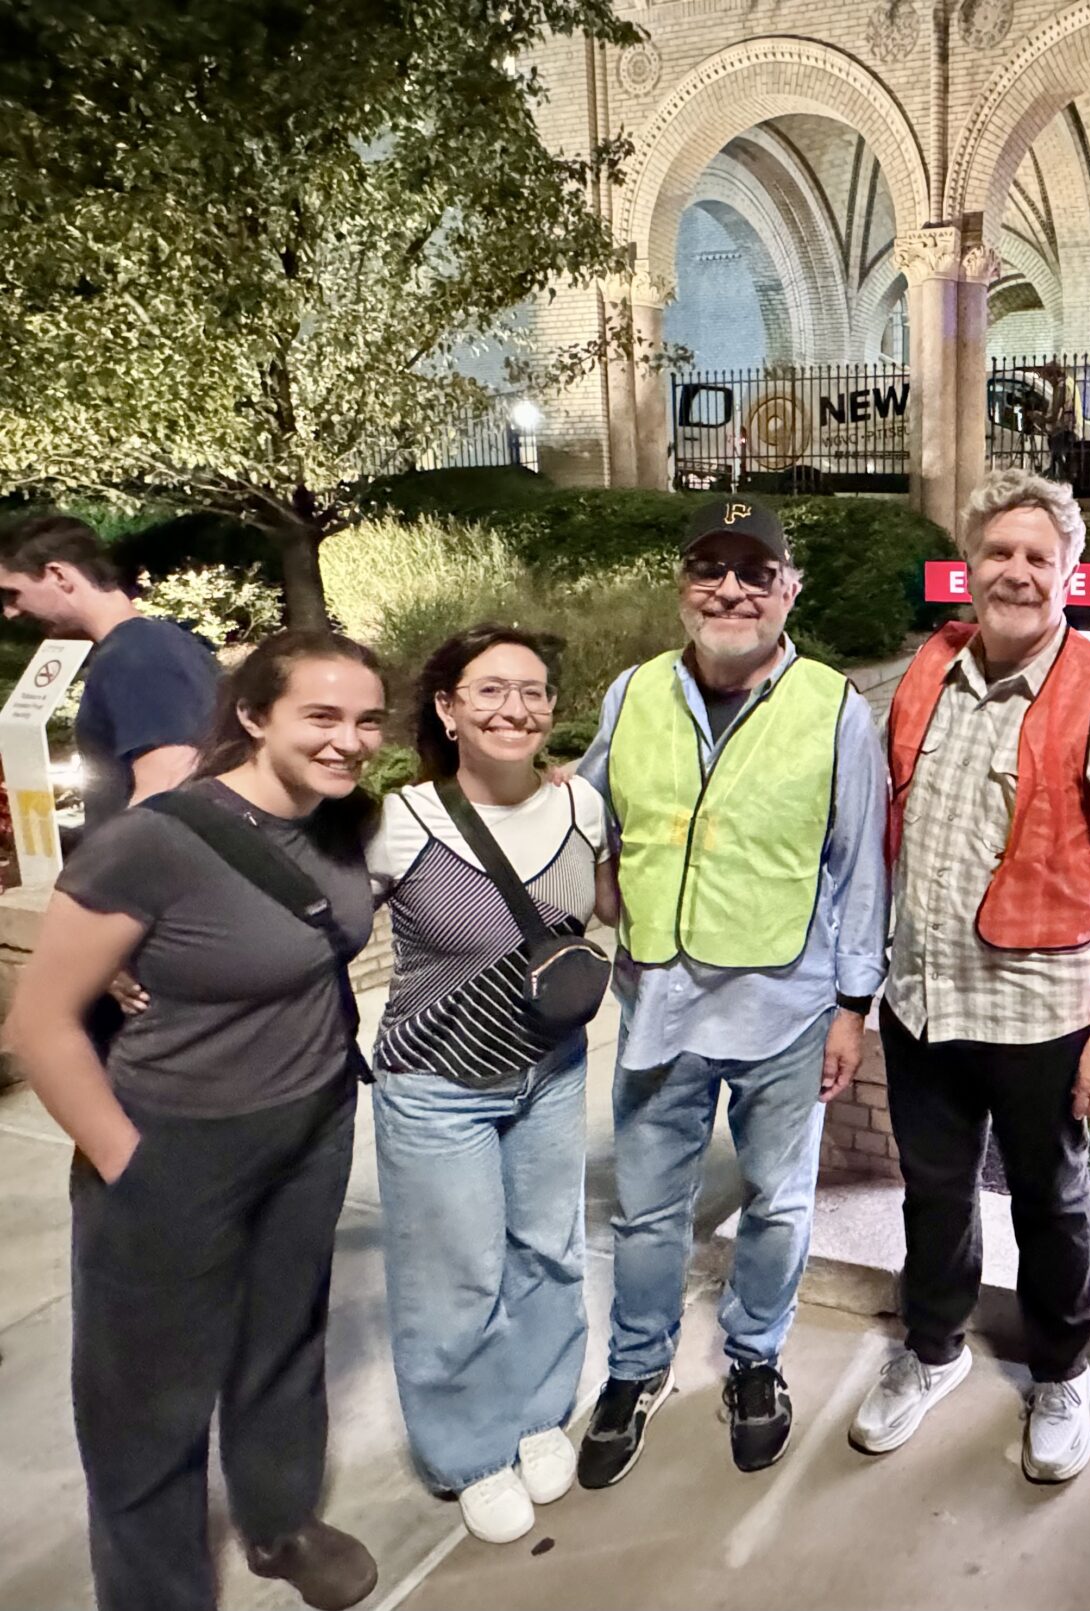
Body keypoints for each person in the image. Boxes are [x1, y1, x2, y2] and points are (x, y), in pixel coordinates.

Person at [2, 629, 386, 1611]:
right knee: (146, 1404)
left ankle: (280, 1522)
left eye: (365, 719)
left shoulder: (342, 823)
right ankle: (155, 1593)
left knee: (282, 1345)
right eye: (321, 716)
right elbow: (42, 1026)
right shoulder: (156, 838)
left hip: (307, 1131)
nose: (348, 740)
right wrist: (126, 1160)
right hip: (175, 1146)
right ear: (253, 717)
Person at [850, 469, 1090, 1483]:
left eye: (1039, 556)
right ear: (969, 565)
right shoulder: (923, 672)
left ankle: (1059, 1373)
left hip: (1040, 1018)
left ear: (1069, 571)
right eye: (998, 552)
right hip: (924, 1004)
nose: (1016, 572)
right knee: (933, 1196)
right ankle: (934, 1349)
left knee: (1050, 1205)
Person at [573, 497, 889, 1481]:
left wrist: (851, 1010)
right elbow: (585, 818)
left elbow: (861, 871)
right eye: (712, 567)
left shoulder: (834, 708)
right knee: (645, 1214)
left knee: (778, 1206)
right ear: (683, 585)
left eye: (756, 571)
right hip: (659, 1005)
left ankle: (754, 1360)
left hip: (785, 1013)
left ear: (788, 589)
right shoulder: (631, 696)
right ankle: (634, 1370)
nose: (732, 588)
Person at [365, 626, 616, 1543]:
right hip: (436, 1083)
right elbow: (317, 923)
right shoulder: (403, 821)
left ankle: (542, 1407)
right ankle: (470, 1449)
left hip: (549, 1073)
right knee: (454, 1274)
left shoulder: (582, 805)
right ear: (448, 709)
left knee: (549, 1247)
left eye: (535, 691)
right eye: (491, 691)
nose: (517, 709)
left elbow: (612, 904)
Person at [0, 514, 219, 828]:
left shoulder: (138, 652)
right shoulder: (150, 644)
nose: (9, 613)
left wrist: (106, 870)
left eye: (13, 594)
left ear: (59, 575)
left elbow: (169, 780)